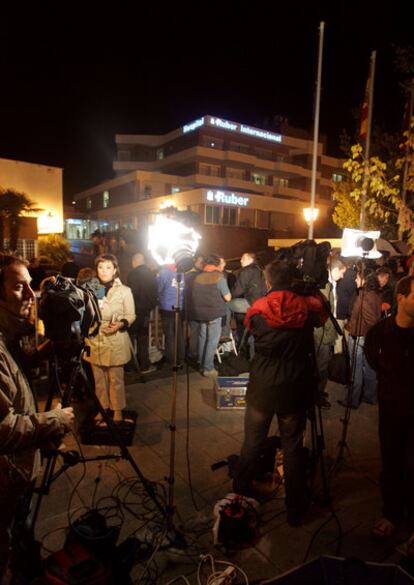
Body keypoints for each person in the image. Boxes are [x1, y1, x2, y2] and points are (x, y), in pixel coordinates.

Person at [233, 261, 327, 526]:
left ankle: (239, 495)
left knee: (252, 442)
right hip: (294, 388)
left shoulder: (258, 310)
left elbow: (251, 328)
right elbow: (323, 314)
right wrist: (309, 290)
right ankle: (296, 509)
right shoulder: (306, 308)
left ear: (268, 281)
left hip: (263, 387)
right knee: (293, 447)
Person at [0, 256, 74, 578]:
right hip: (5, 480)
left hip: (17, 477)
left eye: (31, 284)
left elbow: (14, 372)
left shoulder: (8, 335)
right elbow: (3, 429)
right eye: (19, 287)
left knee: (23, 536)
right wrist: (56, 420)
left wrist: (45, 351)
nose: (31, 295)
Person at [365, 275, 414, 556]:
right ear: (401, 298)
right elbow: (374, 362)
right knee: (391, 463)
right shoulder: (380, 333)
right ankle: (392, 514)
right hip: (391, 411)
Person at [84, 254, 135, 424]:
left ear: (114, 269)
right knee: (99, 380)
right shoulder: (91, 288)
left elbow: (130, 314)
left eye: (108, 267)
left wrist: (120, 324)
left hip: (115, 338)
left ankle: (117, 411)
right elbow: (85, 313)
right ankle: (102, 408)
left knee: (116, 379)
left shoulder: (124, 290)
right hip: (95, 338)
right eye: (100, 267)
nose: (104, 271)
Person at [339, 270, 382, 409]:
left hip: (360, 338)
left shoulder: (366, 297)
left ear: (365, 280)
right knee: (369, 368)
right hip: (366, 338)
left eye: (357, 278)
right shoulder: (374, 295)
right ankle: (369, 396)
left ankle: (353, 400)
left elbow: (373, 321)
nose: (355, 280)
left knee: (356, 370)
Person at [190, 254, 231, 377]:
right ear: (216, 264)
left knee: (203, 338)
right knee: (212, 341)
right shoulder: (219, 277)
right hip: (214, 313)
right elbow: (228, 298)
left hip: (200, 313)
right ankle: (208, 368)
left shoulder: (198, 277)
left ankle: (201, 363)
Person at [313, 257, 346, 408]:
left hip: (324, 335)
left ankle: (318, 392)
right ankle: (317, 397)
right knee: (321, 368)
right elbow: (323, 315)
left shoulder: (329, 284)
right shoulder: (324, 286)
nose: (343, 276)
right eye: (342, 272)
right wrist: (327, 337)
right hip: (322, 336)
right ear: (334, 270)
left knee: (321, 367)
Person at [127, 252, 158, 374]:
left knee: (130, 338)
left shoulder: (133, 274)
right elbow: (155, 292)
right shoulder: (151, 273)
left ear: (134, 262)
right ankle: (144, 364)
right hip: (146, 311)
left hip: (134, 310)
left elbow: (132, 293)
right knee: (143, 338)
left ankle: (130, 366)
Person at [157, 262, 185, 365]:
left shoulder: (164, 272)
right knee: (179, 334)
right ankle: (181, 358)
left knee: (169, 335)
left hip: (167, 308)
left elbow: (158, 289)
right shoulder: (182, 273)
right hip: (179, 307)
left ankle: (172, 360)